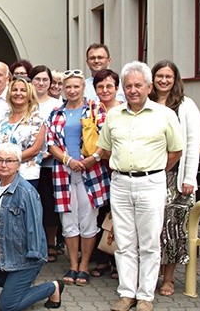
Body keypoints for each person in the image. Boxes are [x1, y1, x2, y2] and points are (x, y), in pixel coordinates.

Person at [96, 61, 183, 311]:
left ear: (149, 87)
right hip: (121, 182)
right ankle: (126, 294)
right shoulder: (113, 114)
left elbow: (175, 151)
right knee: (123, 242)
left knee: (149, 242)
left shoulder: (165, 115)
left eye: (138, 85)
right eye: (128, 85)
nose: (133, 90)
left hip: (151, 182)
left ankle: (145, 296)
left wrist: (153, 172)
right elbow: (106, 149)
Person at [0, 143, 64, 311]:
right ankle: (16, 288)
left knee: (7, 307)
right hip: (3, 251)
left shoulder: (26, 193)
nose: (4, 165)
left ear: (18, 164)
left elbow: (32, 231)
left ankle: (52, 287)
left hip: (24, 257)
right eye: (0, 160)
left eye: (10, 161)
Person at [47, 70, 109, 287]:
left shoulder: (95, 109)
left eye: (76, 87)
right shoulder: (56, 113)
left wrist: (93, 158)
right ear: (63, 89)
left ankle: (84, 266)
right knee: (68, 221)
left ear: (83, 88)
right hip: (64, 172)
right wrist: (66, 159)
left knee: (88, 219)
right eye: (68, 87)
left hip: (90, 172)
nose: (72, 91)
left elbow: (105, 138)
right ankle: (73, 265)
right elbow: (51, 142)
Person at [149, 60, 200, 297]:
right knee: (152, 228)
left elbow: (191, 145)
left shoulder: (185, 106)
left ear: (175, 79)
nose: (163, 80)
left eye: (168, 76)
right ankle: (152, 275)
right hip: (150, 174)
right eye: (159, 76)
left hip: (175, 178)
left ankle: (168, 279)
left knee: (172, 229)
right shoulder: (146, 103)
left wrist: (189, 177)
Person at [89, 69, 123, 279]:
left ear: (117, 89)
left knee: (119, 216)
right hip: (96, 169)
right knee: (101, 213)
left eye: (109, 86)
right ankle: (102, 258)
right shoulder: (91, 110)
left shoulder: (124, 110)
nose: (105, 90)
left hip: (117, 169)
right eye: (100, 86)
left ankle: (118, 261)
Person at [29, 65, 64, 262]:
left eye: (45, 80)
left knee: (49, 205)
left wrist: (47, 153)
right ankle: (35, 243)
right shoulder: (26, 102)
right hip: (28, 165)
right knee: (32, 206)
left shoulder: (57, 105)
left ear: (50, 83)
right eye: (37, 79)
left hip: (50, 164)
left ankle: (50, 243)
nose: (41, 83)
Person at [0, 77, 45, 188]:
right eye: (15, 90)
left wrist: (9, 162)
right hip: (1, 173)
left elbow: (35, 149)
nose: (18, 93)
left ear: (30, 94)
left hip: (26, 175)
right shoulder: (3, 117)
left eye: (23, 90)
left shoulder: (37, 118)